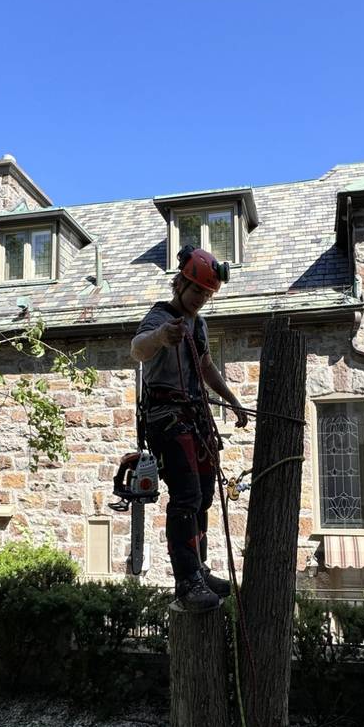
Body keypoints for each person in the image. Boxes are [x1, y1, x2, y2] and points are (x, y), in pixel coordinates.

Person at [131, 245, 249, 611]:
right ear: (180, 283)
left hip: (194, 417)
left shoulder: (199, 324)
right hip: (166, 419)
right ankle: (186, 582)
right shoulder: (160, 318)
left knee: (204, 495)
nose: (200, 298)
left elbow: (206, 366)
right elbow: (137, 348)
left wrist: (231, 398)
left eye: (206, 293)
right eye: (196, 290)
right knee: (186, 497)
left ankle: (198, 566)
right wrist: (162, 337)